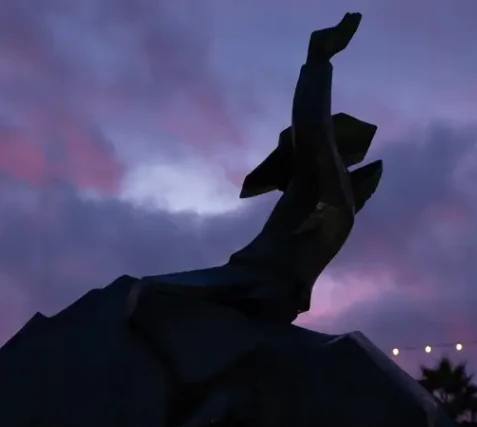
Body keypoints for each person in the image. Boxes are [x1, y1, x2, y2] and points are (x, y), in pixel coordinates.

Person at [136, 12, 382, 324]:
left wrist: (318, 58)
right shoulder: (322, 199)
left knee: (142, 297)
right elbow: (312, 133)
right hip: (260, 287)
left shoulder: (323, 192)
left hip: (261, 287)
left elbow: (312, 129)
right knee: (141, 298)